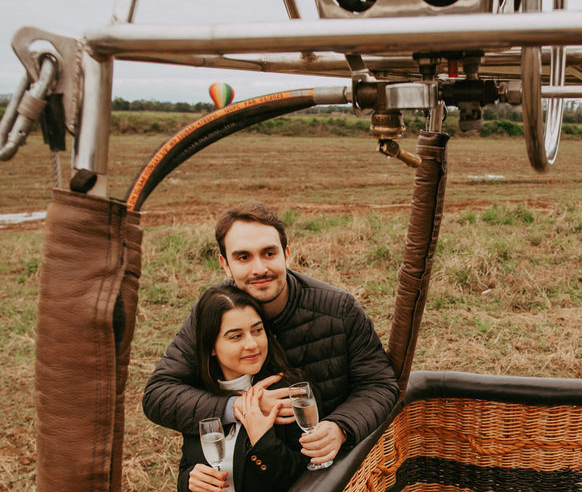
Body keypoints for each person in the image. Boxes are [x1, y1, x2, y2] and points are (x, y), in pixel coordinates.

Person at [144, 201, 399, 469]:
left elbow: (379, 384)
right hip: (252, 479)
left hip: (333, 471)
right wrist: (243, 408)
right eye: (243, 257)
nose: (259, 269)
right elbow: (159, 394)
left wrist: (341, 427)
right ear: (225, 265)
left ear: (286, 254)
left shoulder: (339, 309)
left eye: (269, 253)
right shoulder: (211, 313)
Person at [177, 283, 308, 492]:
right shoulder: (199, 400)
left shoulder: (287, 391)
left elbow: (303, 481)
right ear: (211, 346)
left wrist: (262, 438)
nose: (252, 344)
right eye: (235, 336)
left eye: (257, 330)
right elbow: (186, 472)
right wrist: (192, 484)